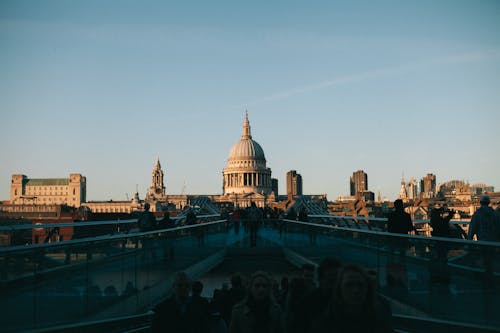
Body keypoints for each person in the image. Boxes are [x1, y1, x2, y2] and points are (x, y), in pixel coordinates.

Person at [309, 265, 393, 333]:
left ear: (367, 289)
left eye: (360, 285)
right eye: (349, 285)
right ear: (339, 289)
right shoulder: (324, 324)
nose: (356, 290)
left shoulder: (380, 321)